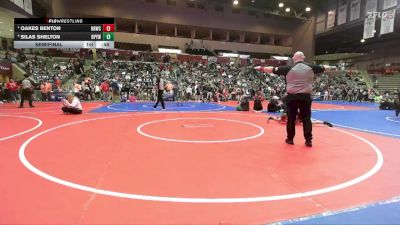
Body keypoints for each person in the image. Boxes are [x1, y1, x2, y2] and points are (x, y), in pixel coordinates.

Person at [255, 51, 336, 147]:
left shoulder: (289, 68)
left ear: (294, 58)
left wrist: (261, 68)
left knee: (291, 119)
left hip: (292, 96)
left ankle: (290, 139)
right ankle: (308, 140)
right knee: (306, 118)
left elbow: (272, 69)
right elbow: (324, 67)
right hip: (305, 96)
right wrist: (333, 67)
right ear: (303, 57)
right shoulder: (311, 67)